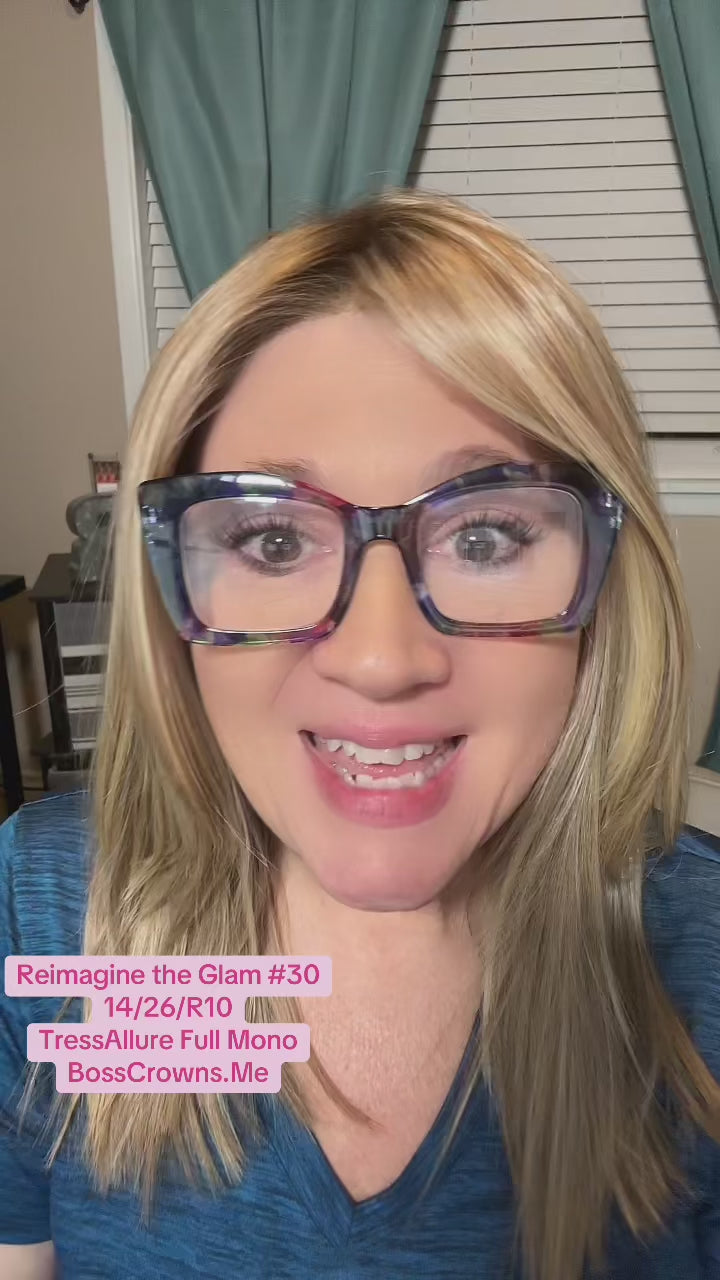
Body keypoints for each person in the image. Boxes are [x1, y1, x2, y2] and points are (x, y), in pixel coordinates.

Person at [1, 191, 719, 1280]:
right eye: (274, 539)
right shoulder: (50, 913)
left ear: (605, 582)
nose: (382, 659)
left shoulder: (696, 959)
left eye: (486, 535)